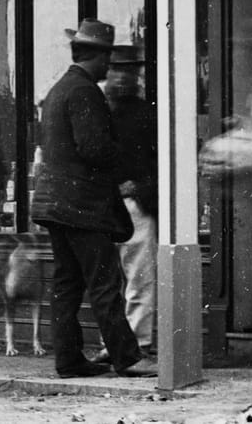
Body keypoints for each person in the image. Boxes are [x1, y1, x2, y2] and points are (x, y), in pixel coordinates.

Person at [30, 18, 152, 379]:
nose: (110, 67)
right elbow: (94, 149)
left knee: (67, 284)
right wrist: (123, 163)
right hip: (81, 206)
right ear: (97, 58)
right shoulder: (85, 91)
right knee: (104, 282)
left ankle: (68, 360)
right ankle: (127, 358)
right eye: (108, 60)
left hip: (54, 204)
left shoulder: (58, 89)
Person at [101, 44, 157, 361]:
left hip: (135, 204)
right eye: (116, 70)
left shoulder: (147, 113)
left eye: (129, 71)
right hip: (103, 205)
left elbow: (161, 163)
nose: (122, 77)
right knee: (108, 279)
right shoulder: (96, 109)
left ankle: (137, 341)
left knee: (138, 276)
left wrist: (140, 186)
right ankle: (116, 342)